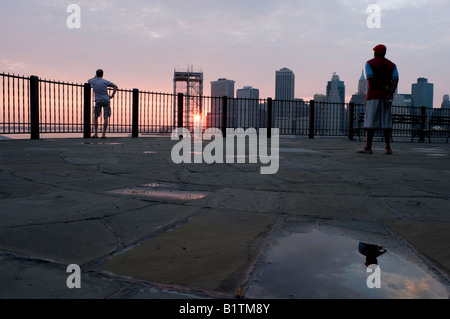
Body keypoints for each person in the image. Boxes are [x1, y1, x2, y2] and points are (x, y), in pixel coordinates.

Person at [357, 44, 399, 155]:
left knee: (370, 121)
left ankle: (368, 147)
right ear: (385, 53)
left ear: (375, 53)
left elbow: (371, 78)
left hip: (373, 96)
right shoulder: (392, 65)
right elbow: (396, 79)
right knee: (386, 122)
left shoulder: (369, 63)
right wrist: (390, 93)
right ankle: (387, 148)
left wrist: (382, 87)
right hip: (386, 97)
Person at [88, 69, 118, 139]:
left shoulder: (93, 81)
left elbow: (88, 80)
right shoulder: (105, 81)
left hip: (98, 100)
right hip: (106, 100)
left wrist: (94, 77)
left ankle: (96, 134)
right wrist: (112, 95)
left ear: (96, 74)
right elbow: (115, 86)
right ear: (102, 74)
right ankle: (103, 134)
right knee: (106, 117)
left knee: (96, 116)